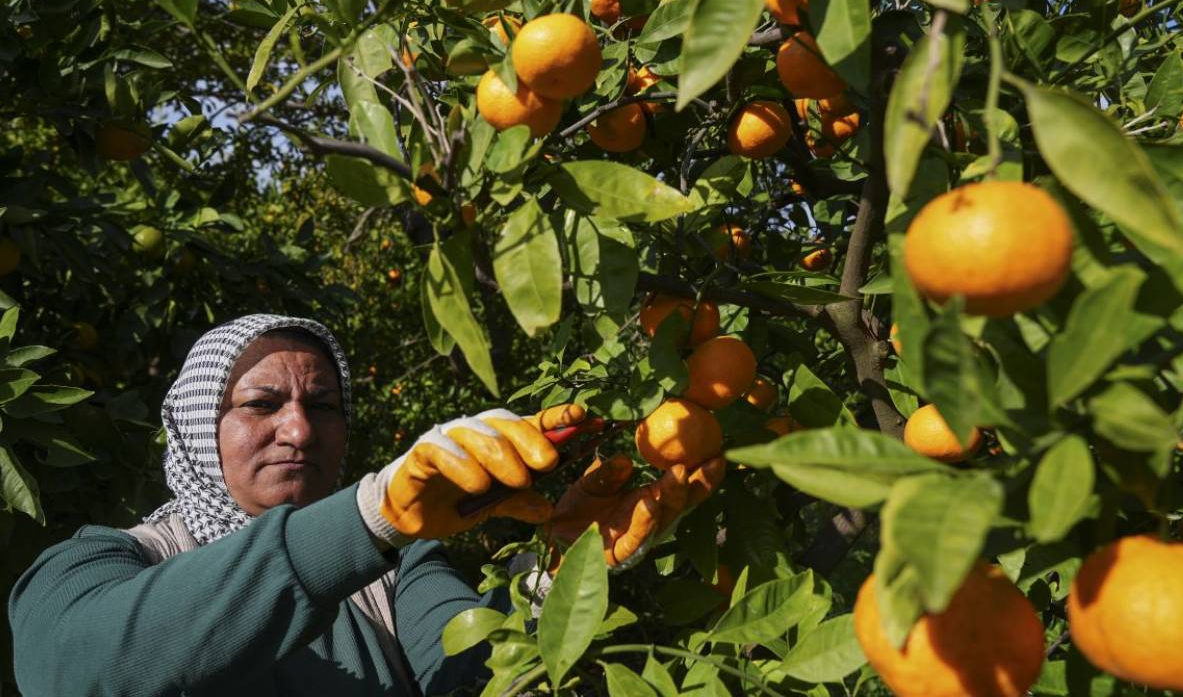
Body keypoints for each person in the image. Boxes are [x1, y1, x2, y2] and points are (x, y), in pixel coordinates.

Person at [7, 314, 723, 696]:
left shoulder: (398, 567)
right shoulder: (112, 560)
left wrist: (556, 581)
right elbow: (73, 668)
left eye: (323, 406)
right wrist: (366, 514)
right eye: (262, 404)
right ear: (198, 427)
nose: (299, 429)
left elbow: (469, 671)